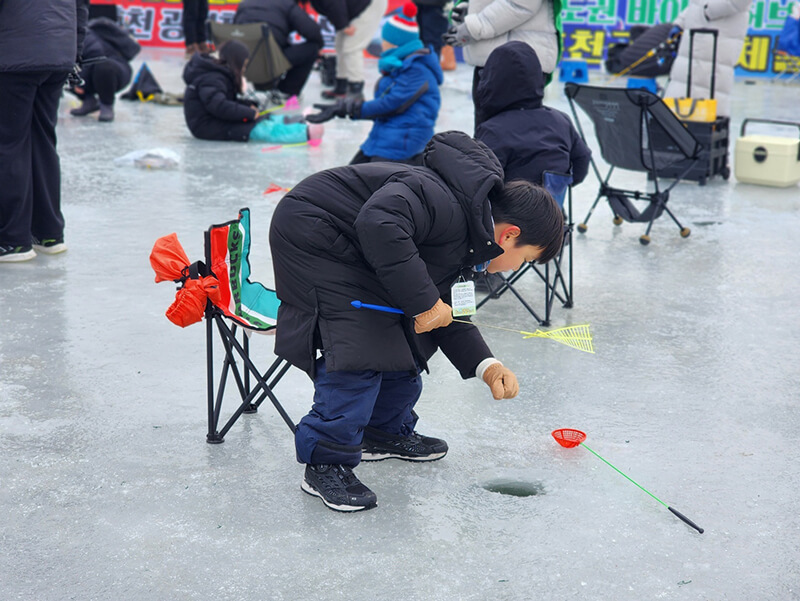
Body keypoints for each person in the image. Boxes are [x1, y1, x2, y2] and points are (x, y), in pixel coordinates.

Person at [268, 130, 565, 512]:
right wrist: (425, 302)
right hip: (312, 233)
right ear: (510, 236)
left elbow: (451, 315)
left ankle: (381, 431)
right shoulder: (442, 200)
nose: (515, 267)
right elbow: (380, 222)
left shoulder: (473, 241)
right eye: (524, 258)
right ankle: (326, 461)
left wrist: (487, 366)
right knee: (361, 342)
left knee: (407, 332)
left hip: (357, 247)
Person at [0, 0, 89, 263]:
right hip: (58, 54)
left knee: (9, 143)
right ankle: (49, 234)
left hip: (13, 55)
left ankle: (12, 240)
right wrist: (74, 53)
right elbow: (81, 8)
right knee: (43, 141)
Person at [306, 3, 442, 165]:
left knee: (366, 182)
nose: (383, 44)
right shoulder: (400, 65)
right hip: (386, 136)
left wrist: (347, 108)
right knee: (345, 179)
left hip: (405, 142)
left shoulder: (417, 70)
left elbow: (390, 104)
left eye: (386, 40)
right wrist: (342, 108)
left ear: (395, 43)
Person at [474, 42, 591, 186]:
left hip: (509, 207)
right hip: (553, 206)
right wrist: (560, 186)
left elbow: (479, 184)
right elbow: (582, 159)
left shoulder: (493, 130)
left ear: (493, 81)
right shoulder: (561, 121)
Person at [443, 0, 561, 131]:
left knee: (512, 133)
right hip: (491, 56)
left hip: (518, 62)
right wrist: (469, 10)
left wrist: (475, 25)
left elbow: (521, 4)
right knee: (488, 133)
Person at [183, 41, 324, 144]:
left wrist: (247, 106)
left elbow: (225, 102)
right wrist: (247, 113)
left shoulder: (217, 75)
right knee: (261, 128)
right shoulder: (212, 78)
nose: (244, 70)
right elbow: (219, 106)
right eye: (243, 66)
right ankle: (304, 133)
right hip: (208, 127)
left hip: (216, 120)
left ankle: (298, 119)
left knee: (263, 117)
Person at [663, 0, 753, 117]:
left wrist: (708, 11)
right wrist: (681, 22)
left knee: (705, 90)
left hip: (716, 34)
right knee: (682, 92)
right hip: (698, 33)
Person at [234, 0, 324, 101]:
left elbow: (234, 32)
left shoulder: (244, 4)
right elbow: (312, 31)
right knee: (312, 48)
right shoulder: (286, 5)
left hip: (241, 65)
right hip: (271, 63)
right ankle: (287, 91)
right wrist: (320, 46)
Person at [310, 0, 388, 100]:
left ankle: (356, 90)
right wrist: (342, 25)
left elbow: (335, 4)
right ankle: (341, 86)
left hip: (370, 5)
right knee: (340, 44)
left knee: (352, 47)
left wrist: (343, 26)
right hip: (353, 7)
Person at [70, 17, 140, 123]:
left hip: (116, 72)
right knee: (56, 69)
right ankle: (88, 101)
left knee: (103, 66)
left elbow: (96, 57)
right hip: (91, 73)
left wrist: (80, 83)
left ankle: (106, 104)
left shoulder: (85, 35)